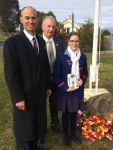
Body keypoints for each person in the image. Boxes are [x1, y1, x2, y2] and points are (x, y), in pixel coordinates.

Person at [3, 6, 51, 150]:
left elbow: (45, 67)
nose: (31, 21)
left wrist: (48, 85)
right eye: (27, 18)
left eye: (34, 18)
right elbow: (11, 73)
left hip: (39, 94)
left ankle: (35, 145)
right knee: (24, 130)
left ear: (37, 20)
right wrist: (18, 97)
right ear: (21, 20)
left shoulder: (41, 42)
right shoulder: (13, 43)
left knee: (36, 127)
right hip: (24, 97)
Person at [53, 31, 88, 146]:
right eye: (72, 41)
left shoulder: (82, 57)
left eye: (76, 41)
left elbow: (85, 73)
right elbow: (56, 76)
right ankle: (66, 135)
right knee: (65, 113)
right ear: (68, 42)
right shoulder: (61, 56)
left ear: (79, 42)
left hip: (77, 90)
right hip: (66, 91)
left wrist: (82, 80)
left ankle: (73, 133)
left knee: (74, 113)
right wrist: (65, 88)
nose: (74, 43)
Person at [42, 16, 64, 132]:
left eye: (53, 27)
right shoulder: (38, 43)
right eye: (48, 26)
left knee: (54, 103)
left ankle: (55, 123)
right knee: (41, 105)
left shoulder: (59, 43)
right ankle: (41, 127)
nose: (51, 29)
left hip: (56, 79)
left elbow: (64, 61)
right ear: (43, 27)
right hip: (41, 80)